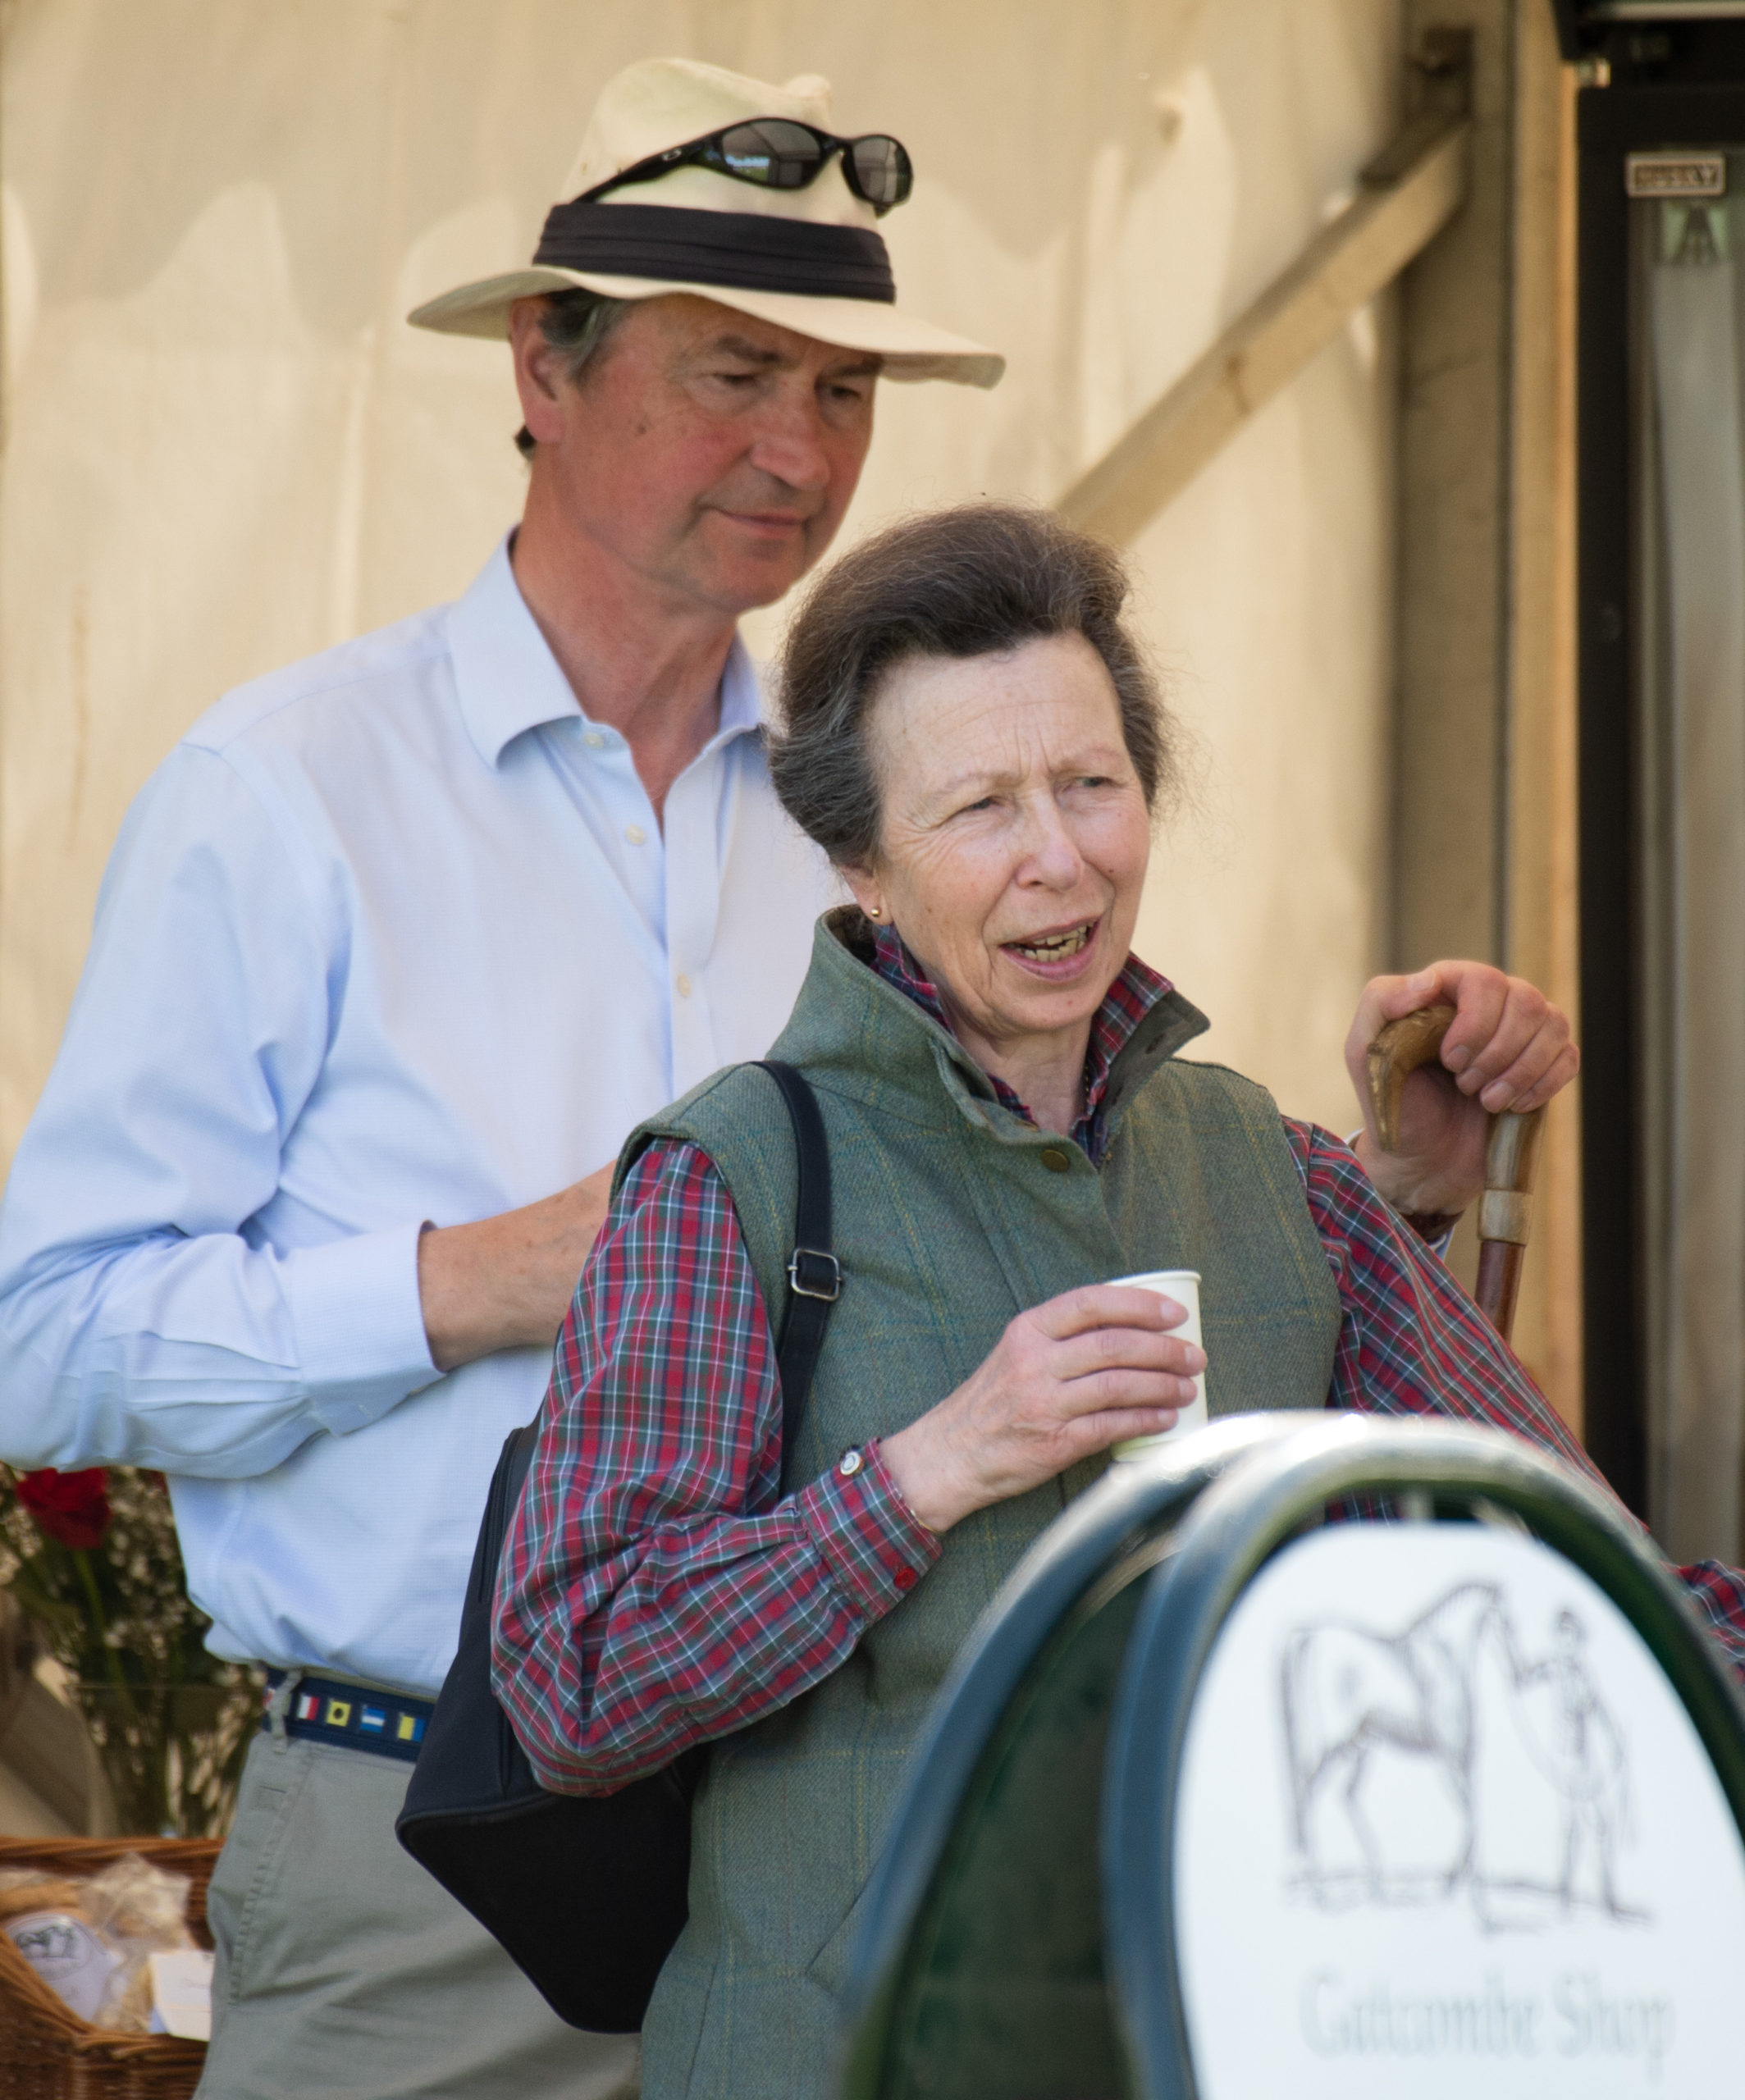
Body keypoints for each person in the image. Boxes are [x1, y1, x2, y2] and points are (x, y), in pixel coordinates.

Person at [0, 52, 1567, 2100]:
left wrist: (1385, 1193)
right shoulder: (287, 789)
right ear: (539, 366)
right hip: (426, 1853)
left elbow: (1085, 1246)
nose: (796, 444)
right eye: (735, 369)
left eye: (843, 391)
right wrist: (481, 1274)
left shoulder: (917, 787)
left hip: (884, 1848)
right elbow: (43, 1345)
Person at [492, 503, 1745, 2100]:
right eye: (979, 806)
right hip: (839, 2062)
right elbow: (575, 1678)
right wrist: (929, 1467)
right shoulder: (733, 1177)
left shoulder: (1273, 1170)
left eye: (1091, 784)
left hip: (1203, 2044)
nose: (1057, 855)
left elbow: (1570, 1583)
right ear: (861, 862)